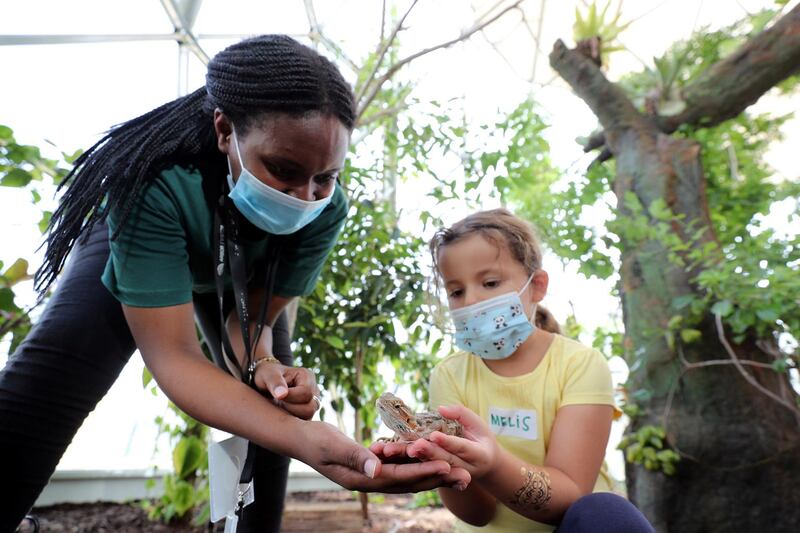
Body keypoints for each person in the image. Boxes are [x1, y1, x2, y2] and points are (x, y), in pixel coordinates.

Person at [0, 34, 469, 533]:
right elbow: (175, 357)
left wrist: (263, 364)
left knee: (274, 403)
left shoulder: (323, 209)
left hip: (242, 280)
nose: (303, 196)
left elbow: (252, 321)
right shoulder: (157, 181)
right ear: (225, 130)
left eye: (324, 178)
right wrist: (303, 439)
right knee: (58, 369)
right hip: (147, 238)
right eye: (284, 170)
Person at [372, 209, 654, 532]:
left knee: (606, 511)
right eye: (456, 291)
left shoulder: (581, 365)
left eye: (490, 282)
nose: (471, 301)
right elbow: (477, 514)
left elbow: (570, 498)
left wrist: (491, 465)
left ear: (536, 286)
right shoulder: (448, 375)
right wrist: (440, 463)